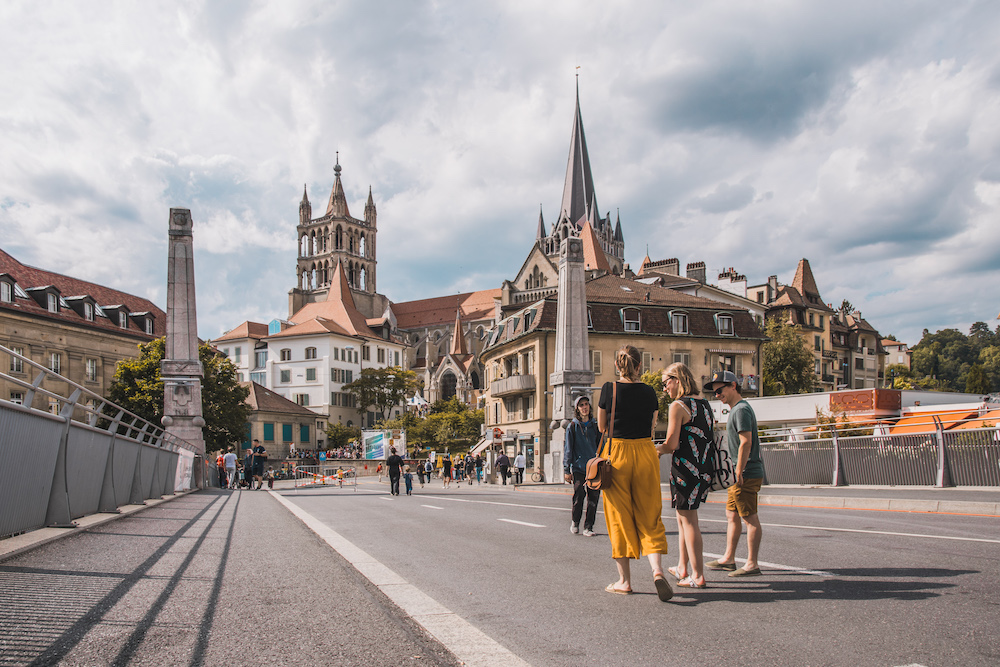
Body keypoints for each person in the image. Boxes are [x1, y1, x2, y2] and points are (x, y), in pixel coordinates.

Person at [598, 344, 671, 601]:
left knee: (619, 516)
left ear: (617, 366)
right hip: (645, 452)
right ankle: (658, 571)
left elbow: (602, 426)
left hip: (617, 453)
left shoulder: (609, 389)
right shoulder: (650, 392)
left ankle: (624, 581)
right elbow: (652, 426)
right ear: (640, 366)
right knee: (650, 513)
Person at [704, 370, 765, 578]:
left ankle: (752, 564)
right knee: (732, 514)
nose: (717, 395)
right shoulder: (737, 409)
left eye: (720, 391)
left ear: (733, 386)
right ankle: (729, 559)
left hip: (745, 472)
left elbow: (746, 441)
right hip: (738, 472)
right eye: (715, 393)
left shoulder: (740, 410)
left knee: (749, 518)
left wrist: (738, 470)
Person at [658, 363, 714, 589]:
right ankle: (682, 566)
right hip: (703, 467)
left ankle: (698, 575)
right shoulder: (705, 404)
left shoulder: (678, 406)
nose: (664, 388)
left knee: (689, 521)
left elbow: (671, 444)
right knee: (683, 518)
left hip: (686, 470)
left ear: (677, 380)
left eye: (665, 383)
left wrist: (654, 450)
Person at [564, 395, 601, 537]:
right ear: (577, 409)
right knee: (579, 494)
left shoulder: (595, 425)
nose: (584, 407)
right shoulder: (572, 427)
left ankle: (589, 527)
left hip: (594, 467)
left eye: (586, 404)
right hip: (579, 468)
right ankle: (575, 521)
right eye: (581, 405)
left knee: (594, 497)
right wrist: (567, 469)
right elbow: (568, 448)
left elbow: (600, 445)